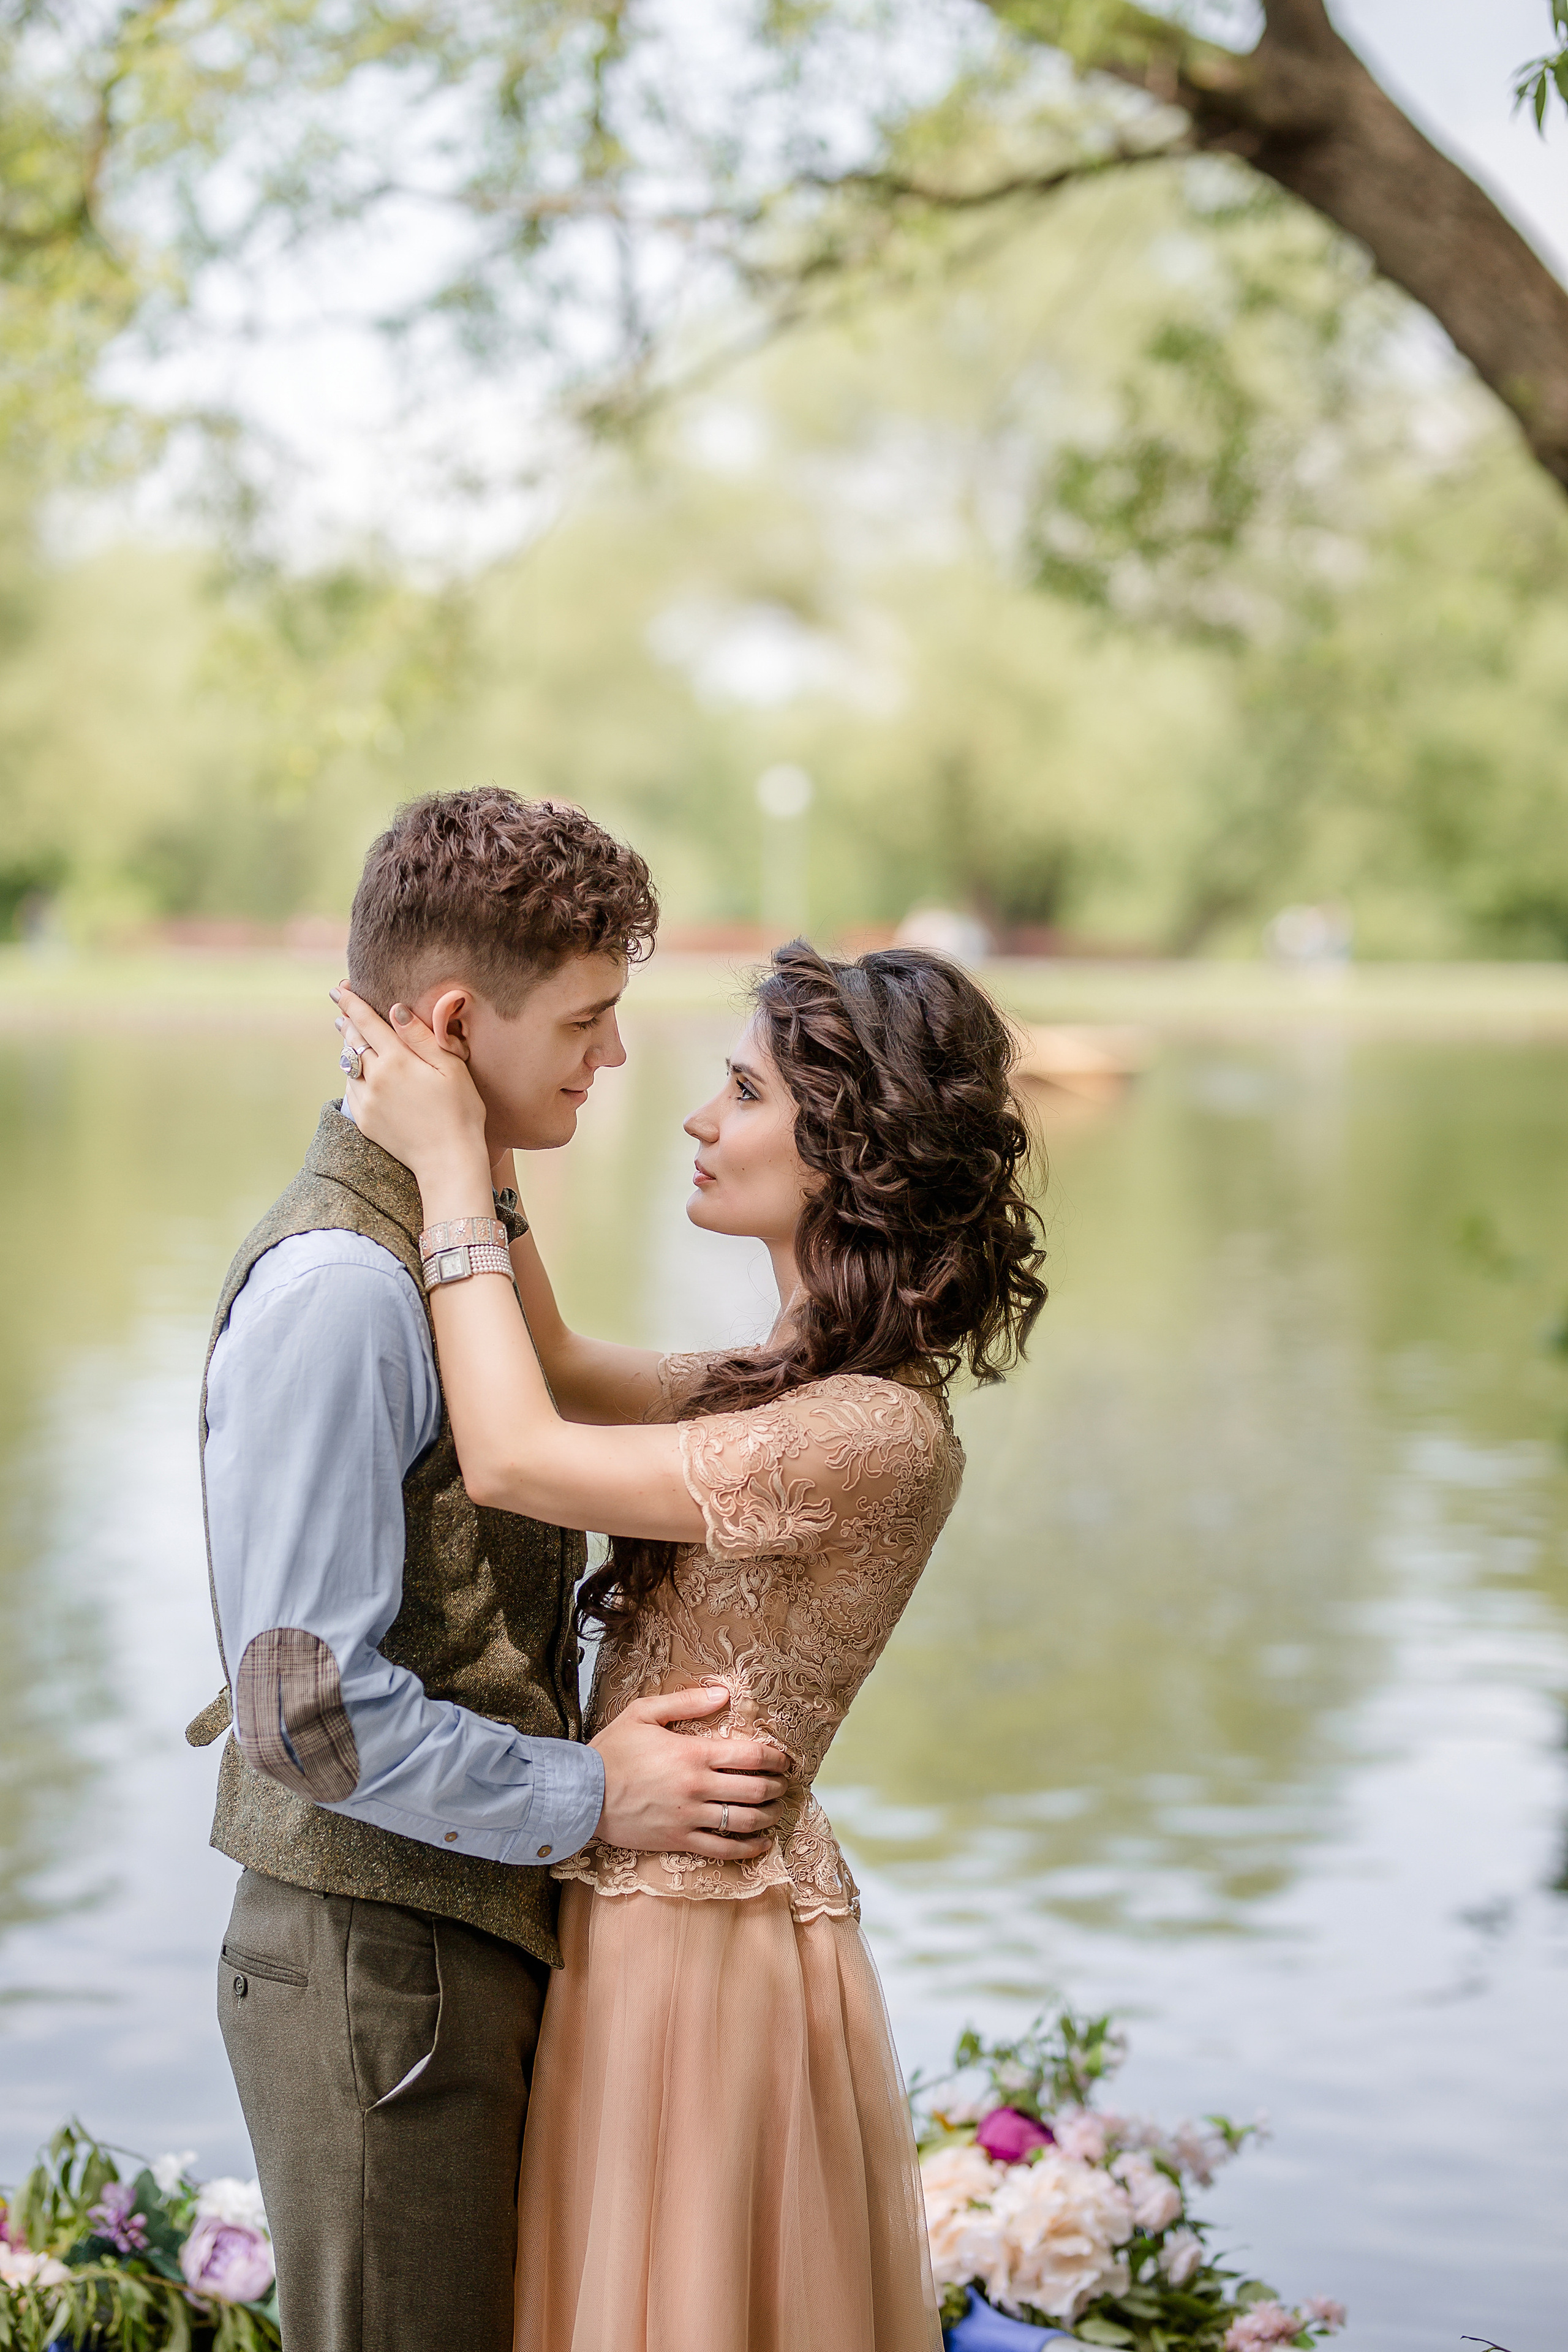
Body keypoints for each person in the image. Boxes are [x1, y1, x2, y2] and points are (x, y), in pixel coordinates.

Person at [333, 933, 1048, 2352]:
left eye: (741, 1091)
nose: (697, 1120)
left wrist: (453, 1170)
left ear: (848, 1150)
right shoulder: (786, 1382)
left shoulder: (865, 1434)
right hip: (642, 1901)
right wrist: (474, 1127)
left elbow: (518, 1454)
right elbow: (560, 1369)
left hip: (699, 1945)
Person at [187, 790, 793, 2352]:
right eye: (588, 1021)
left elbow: (572, 1384)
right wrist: (599, 1798)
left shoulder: (441, 1256)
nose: (612, 1061)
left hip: (442, 1951)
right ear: (454, 1026)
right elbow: (303, 1714)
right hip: (375, 1972)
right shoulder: (342, 1292)